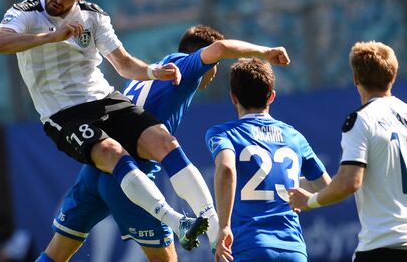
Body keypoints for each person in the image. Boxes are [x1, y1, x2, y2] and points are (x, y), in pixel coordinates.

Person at [0, 0, 212, 251]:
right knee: (111, 151)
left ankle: (214, 223)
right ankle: (177, 221)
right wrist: (51, 37)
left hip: (104, 99)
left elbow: (122, 63)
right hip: (62, 113)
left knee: (163, 140)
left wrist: (151, 72)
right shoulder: (26, 13)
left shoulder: (93, 16)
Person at [37, 25, 291, 262]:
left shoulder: (145, 74)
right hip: (131, 179)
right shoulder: (186, 67)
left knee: (57, 251)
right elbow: (221, 49)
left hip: (97, 168)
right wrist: (266, 52)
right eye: (213, 66)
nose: (214, 73)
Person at [288, 41, 407, 262]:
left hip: (384, 245)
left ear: (355, 79)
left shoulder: (362, 119)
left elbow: (349, 183)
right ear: (393, 75)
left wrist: (310, 201)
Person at [205, 58, 331, 262]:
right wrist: (297, 193)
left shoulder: (223, 133)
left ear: (233, 98)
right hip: (294, 250)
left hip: (250, 247)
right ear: (271, 96)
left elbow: (227, 169)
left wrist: (224, 226)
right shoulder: (294, 136)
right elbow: (325, 186)